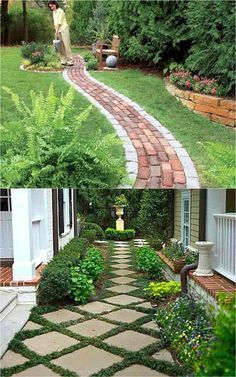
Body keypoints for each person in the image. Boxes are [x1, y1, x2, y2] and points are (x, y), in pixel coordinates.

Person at [48, 0, 73, 66]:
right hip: (58, 30)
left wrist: (56, 32)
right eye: (50, 7)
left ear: (55, 4)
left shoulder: (60, 11)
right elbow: (55, 23)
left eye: (52, 6)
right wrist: (56, 31)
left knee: (66, 45)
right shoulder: (54, 12)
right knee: (60, 46)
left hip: (64, 29)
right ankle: (63, 60)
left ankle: (70, 61)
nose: (51, 8)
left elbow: (59, 22)